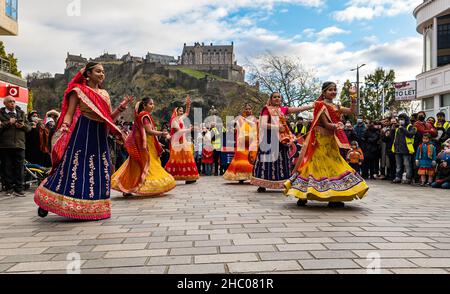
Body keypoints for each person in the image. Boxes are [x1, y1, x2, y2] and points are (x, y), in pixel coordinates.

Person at [34, 63, 133, 220]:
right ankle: (48, 200)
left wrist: (120, 108)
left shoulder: (105, 94)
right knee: (72, 167)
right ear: (88, 73)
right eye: (98, 71)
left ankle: (93, 207)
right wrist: (65, 125)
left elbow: (107, 118)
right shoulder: (78, 91)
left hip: (100, 134)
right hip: (83, 131)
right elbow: (69, 113)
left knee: (103, 167)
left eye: (103, 72)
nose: (102, 74)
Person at [284, 82, 369, 208]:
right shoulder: (320, 105)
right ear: (324, 92)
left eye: (335, 90)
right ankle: (303, 194)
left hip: (331, 140)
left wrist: (353, 97)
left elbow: (353, 111)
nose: (333, 92)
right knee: (318, 165)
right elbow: (327, 124)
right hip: (321, 140)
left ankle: (333, 196)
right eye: (330, 90)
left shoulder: (336, 105)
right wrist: (337, 126)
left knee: (334, 165)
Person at [112, 98, 176, 197]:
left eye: (153, 104)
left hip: (143, 144)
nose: (153, 106)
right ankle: (140, 187)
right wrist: (162, 133)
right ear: (144, 105)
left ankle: (127, 188)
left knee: (135, 166)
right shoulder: (144, 116)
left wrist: (158, 143)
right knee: (148, 166)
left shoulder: (141, 115)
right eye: (150, 104)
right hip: (144, 146)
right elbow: (149, 131)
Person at [251, 92, 314, 192]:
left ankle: (282, 182)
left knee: (282, 160)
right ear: (271, 99)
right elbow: (262, 124)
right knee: (267, 161)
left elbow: (297, 109)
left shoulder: (283, 109)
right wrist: (276, 127)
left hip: (282, 139)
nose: (277, 99)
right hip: (269, 138)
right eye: (274, 97)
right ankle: (262, 184)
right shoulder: (266, 109)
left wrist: (311, 106)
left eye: (279, 97)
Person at [0, 96, 31, 197]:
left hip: (19, 145)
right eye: (10, 101)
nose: (13, 103)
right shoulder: (1, 113)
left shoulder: (21, 113)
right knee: (7, 167)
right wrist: (9, 123)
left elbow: (29, 128)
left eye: (14, 101)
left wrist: (23, 126)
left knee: (19, 168)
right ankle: (8, 189)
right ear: (5, 103)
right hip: (5, 145)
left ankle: (19, 189)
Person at [165, 96, 200, 183]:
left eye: (182, 111)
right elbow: (179, 132)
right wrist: (189, 129)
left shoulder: (180, 119)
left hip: (182, 142)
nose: (182, 112)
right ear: (176, 111)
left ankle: (189, 177)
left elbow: (187, 113)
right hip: (177, 143)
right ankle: (168, 175)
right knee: (176, 160)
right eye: (180, 111)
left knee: (186, 158)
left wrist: (188, 105)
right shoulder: (174, 121)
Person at [224, 103, 258, 183]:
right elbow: (232, 126)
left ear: (252, 110)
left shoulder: (254, 119)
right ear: (244, 110)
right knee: (240, 159)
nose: (248, 110)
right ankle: (240, 177)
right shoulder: (240, 119)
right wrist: (233, 129)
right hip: (241, 142)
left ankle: (251, 176)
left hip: (251, 142)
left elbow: (257, 128)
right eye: (246, 109)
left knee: (251, 159)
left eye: (249, 109)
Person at [391, 113, 417, 184]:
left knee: (407, 165)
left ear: (406, 119)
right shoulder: (397, 128)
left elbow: (410, 135)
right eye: (399, 119)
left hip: (407, 149)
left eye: (402, 119)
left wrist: (403, 129)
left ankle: (408, 178)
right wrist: (392, 129)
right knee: (398, 165)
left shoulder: (410, 127)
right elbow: (393, 137)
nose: (401, 121)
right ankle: (398, 177)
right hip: (397, 149)